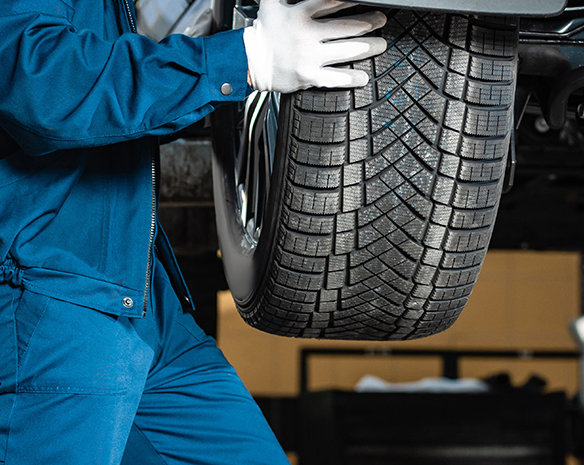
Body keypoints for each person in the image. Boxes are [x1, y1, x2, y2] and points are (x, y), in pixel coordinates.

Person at [0, 0, 386, 463]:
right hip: (48, 296)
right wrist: (242, 57)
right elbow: (44, 88)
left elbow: (103, 111)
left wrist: (201, 63)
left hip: (138, 300)